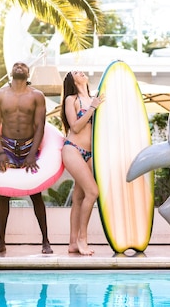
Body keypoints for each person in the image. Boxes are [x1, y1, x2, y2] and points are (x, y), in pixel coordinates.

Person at [0, 61, 53, 254]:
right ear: (11, 71)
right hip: (7, 146)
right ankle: (1, 242)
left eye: (23, 65)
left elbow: (40, 125)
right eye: (16, 65)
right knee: (4, 195)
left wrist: (32, 154)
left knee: (36, 194)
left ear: (28, 72)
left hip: (28, 146)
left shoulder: (37, 96)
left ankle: (46, 241)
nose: (19, 66)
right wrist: (0, 152)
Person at [61, 70, 103, 256]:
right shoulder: (72, 99)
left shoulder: (96, 98)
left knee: (79, 198)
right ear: (72, 80)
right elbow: (75, 127)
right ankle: (82, 239)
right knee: (93, 192)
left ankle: (72, 243)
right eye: (76, 72)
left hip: (91, 153)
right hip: (73, 149)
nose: (82, 72)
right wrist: (93, 108)